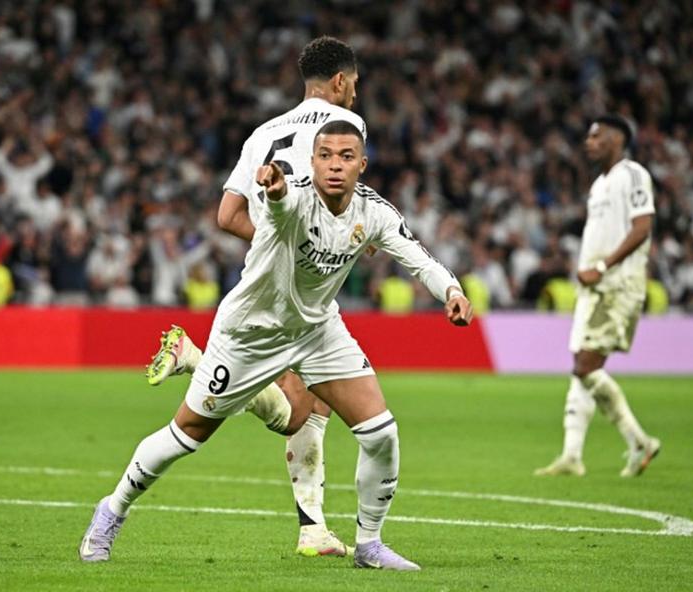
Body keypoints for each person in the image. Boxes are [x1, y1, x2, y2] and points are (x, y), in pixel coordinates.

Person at [80, 121, 473, 570]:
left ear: (361, 165)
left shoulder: (374, 212)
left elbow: (417, 256)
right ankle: (112, 510)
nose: (335, 165)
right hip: (250, 333)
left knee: (380, 431)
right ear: (312, 161)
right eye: (325, 155)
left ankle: (369, 545)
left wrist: (452, 292)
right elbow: (282, 208)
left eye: (346, 156)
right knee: (185, 436)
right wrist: (275, 187)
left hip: (317, 330)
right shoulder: (293, 198)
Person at [145, 36, 369, 557]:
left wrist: (279, 242)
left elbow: (226, 217)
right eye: (354, 86)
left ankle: (313, 529)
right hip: (301, 293)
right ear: (340, 82)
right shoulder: (347, 131)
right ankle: (197, 359)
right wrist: (316, 248)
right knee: (299, 412)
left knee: (310, 407)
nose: (355, 97)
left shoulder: (263, 134)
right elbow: (340, 209)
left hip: (264, 282)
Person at [535, 115, 661, 478]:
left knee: (585, 367)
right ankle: (572, 455)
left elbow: (642, 227)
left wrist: (602, 268)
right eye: (588, 136)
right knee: (581, 369)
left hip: (616, 284)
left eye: (597, 135)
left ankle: (639, 440)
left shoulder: (633, 174)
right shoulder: (599, 185)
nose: (589, 142)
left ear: (618, 139)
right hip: (593, 288)